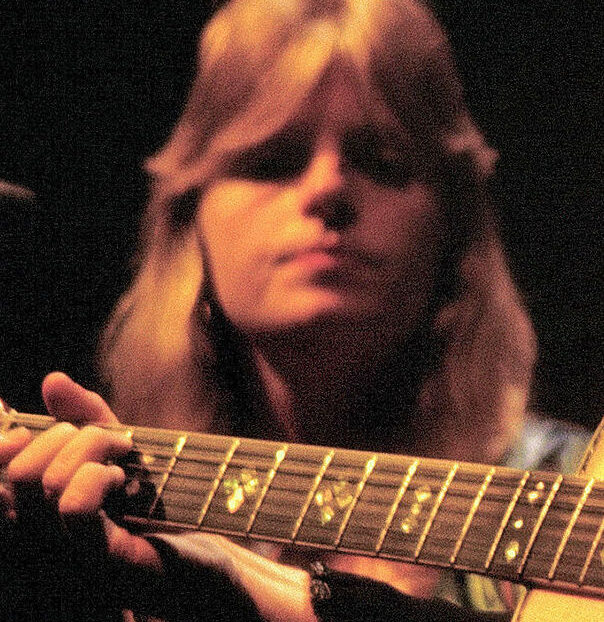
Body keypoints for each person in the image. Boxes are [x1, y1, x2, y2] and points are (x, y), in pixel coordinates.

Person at [0, 0, 591, 620]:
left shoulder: (576, 484)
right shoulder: (117, 503)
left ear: (457, 230)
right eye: (272, 162)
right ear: (189, 222)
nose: (328, 188)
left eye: (384, 163)